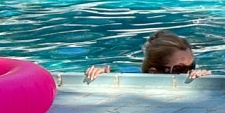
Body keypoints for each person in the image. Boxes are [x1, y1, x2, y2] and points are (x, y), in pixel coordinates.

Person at [84, 30, 212, 82]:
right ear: (154, 72)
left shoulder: (192, 75)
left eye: (192, 66)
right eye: (181, 69)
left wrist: (204, 79)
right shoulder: (133, 81)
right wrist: (102, 76)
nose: (189, 72)